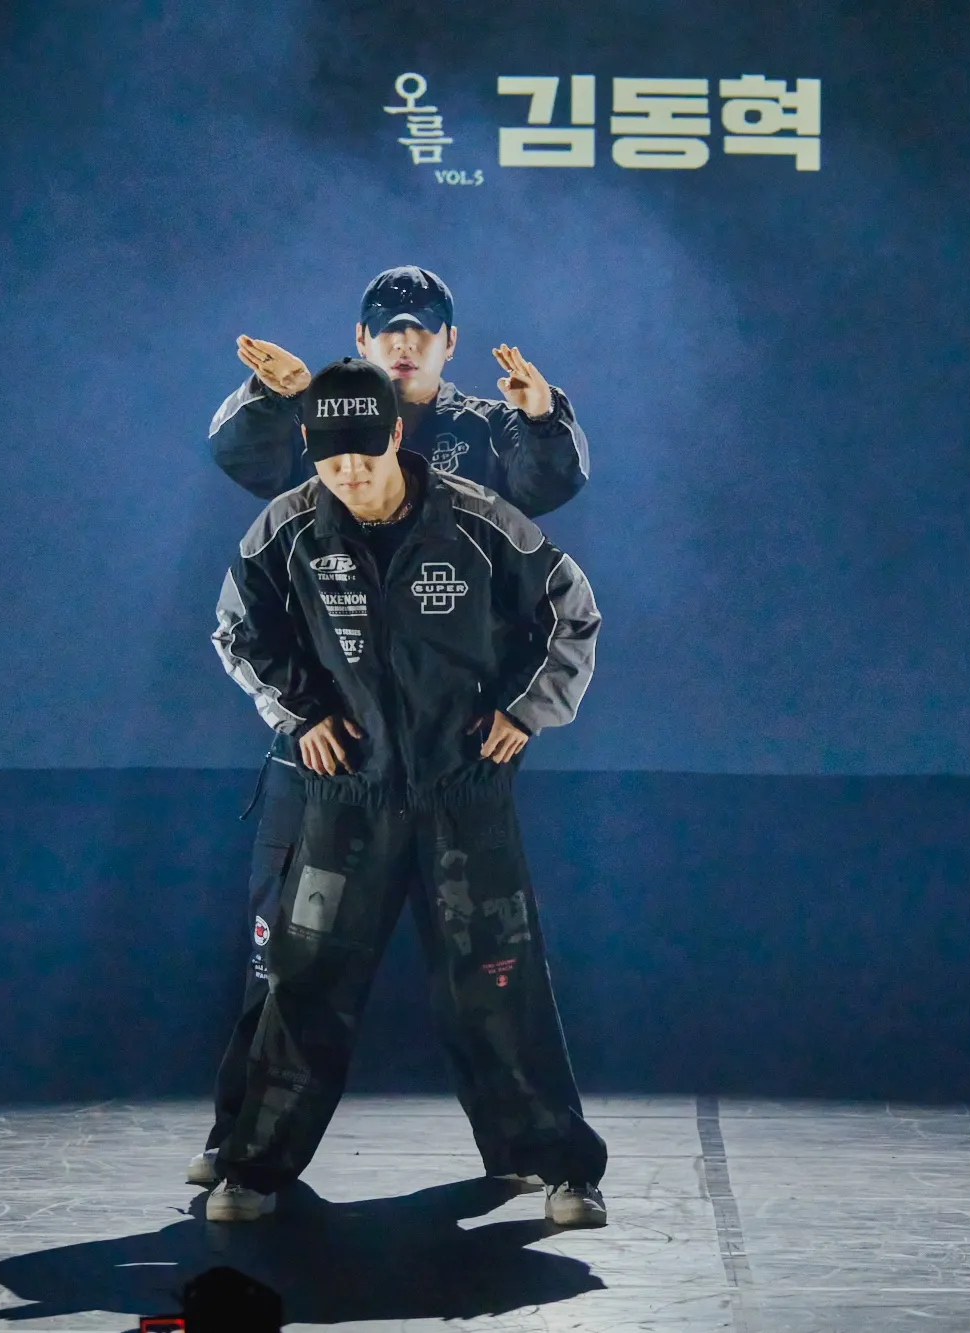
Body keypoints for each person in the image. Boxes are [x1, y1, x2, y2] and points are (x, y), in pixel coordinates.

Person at [191, 266, 593, 1189]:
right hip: (335, 757)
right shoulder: (323, 427)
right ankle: (242, 1145)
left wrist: (541, 417)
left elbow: (548, 508)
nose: (403, 343)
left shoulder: (480, 440)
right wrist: (278, 399)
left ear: (449, 343)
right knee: (287, 963)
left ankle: (536, 1154)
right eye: (386, 330)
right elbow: (247, 479)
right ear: (362, 341)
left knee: (492, 972)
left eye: (422, 329)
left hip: (451, 749)